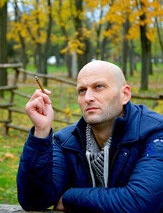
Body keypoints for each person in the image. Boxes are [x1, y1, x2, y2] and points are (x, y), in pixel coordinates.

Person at [17, 60, 163, 212]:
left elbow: (139, 203)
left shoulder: (155, 132)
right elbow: (33, 200)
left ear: (124, 94)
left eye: (99, 87)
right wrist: (41, 131)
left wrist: (69, 198)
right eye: (82, 90)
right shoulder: (67, 141)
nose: (88, 98)